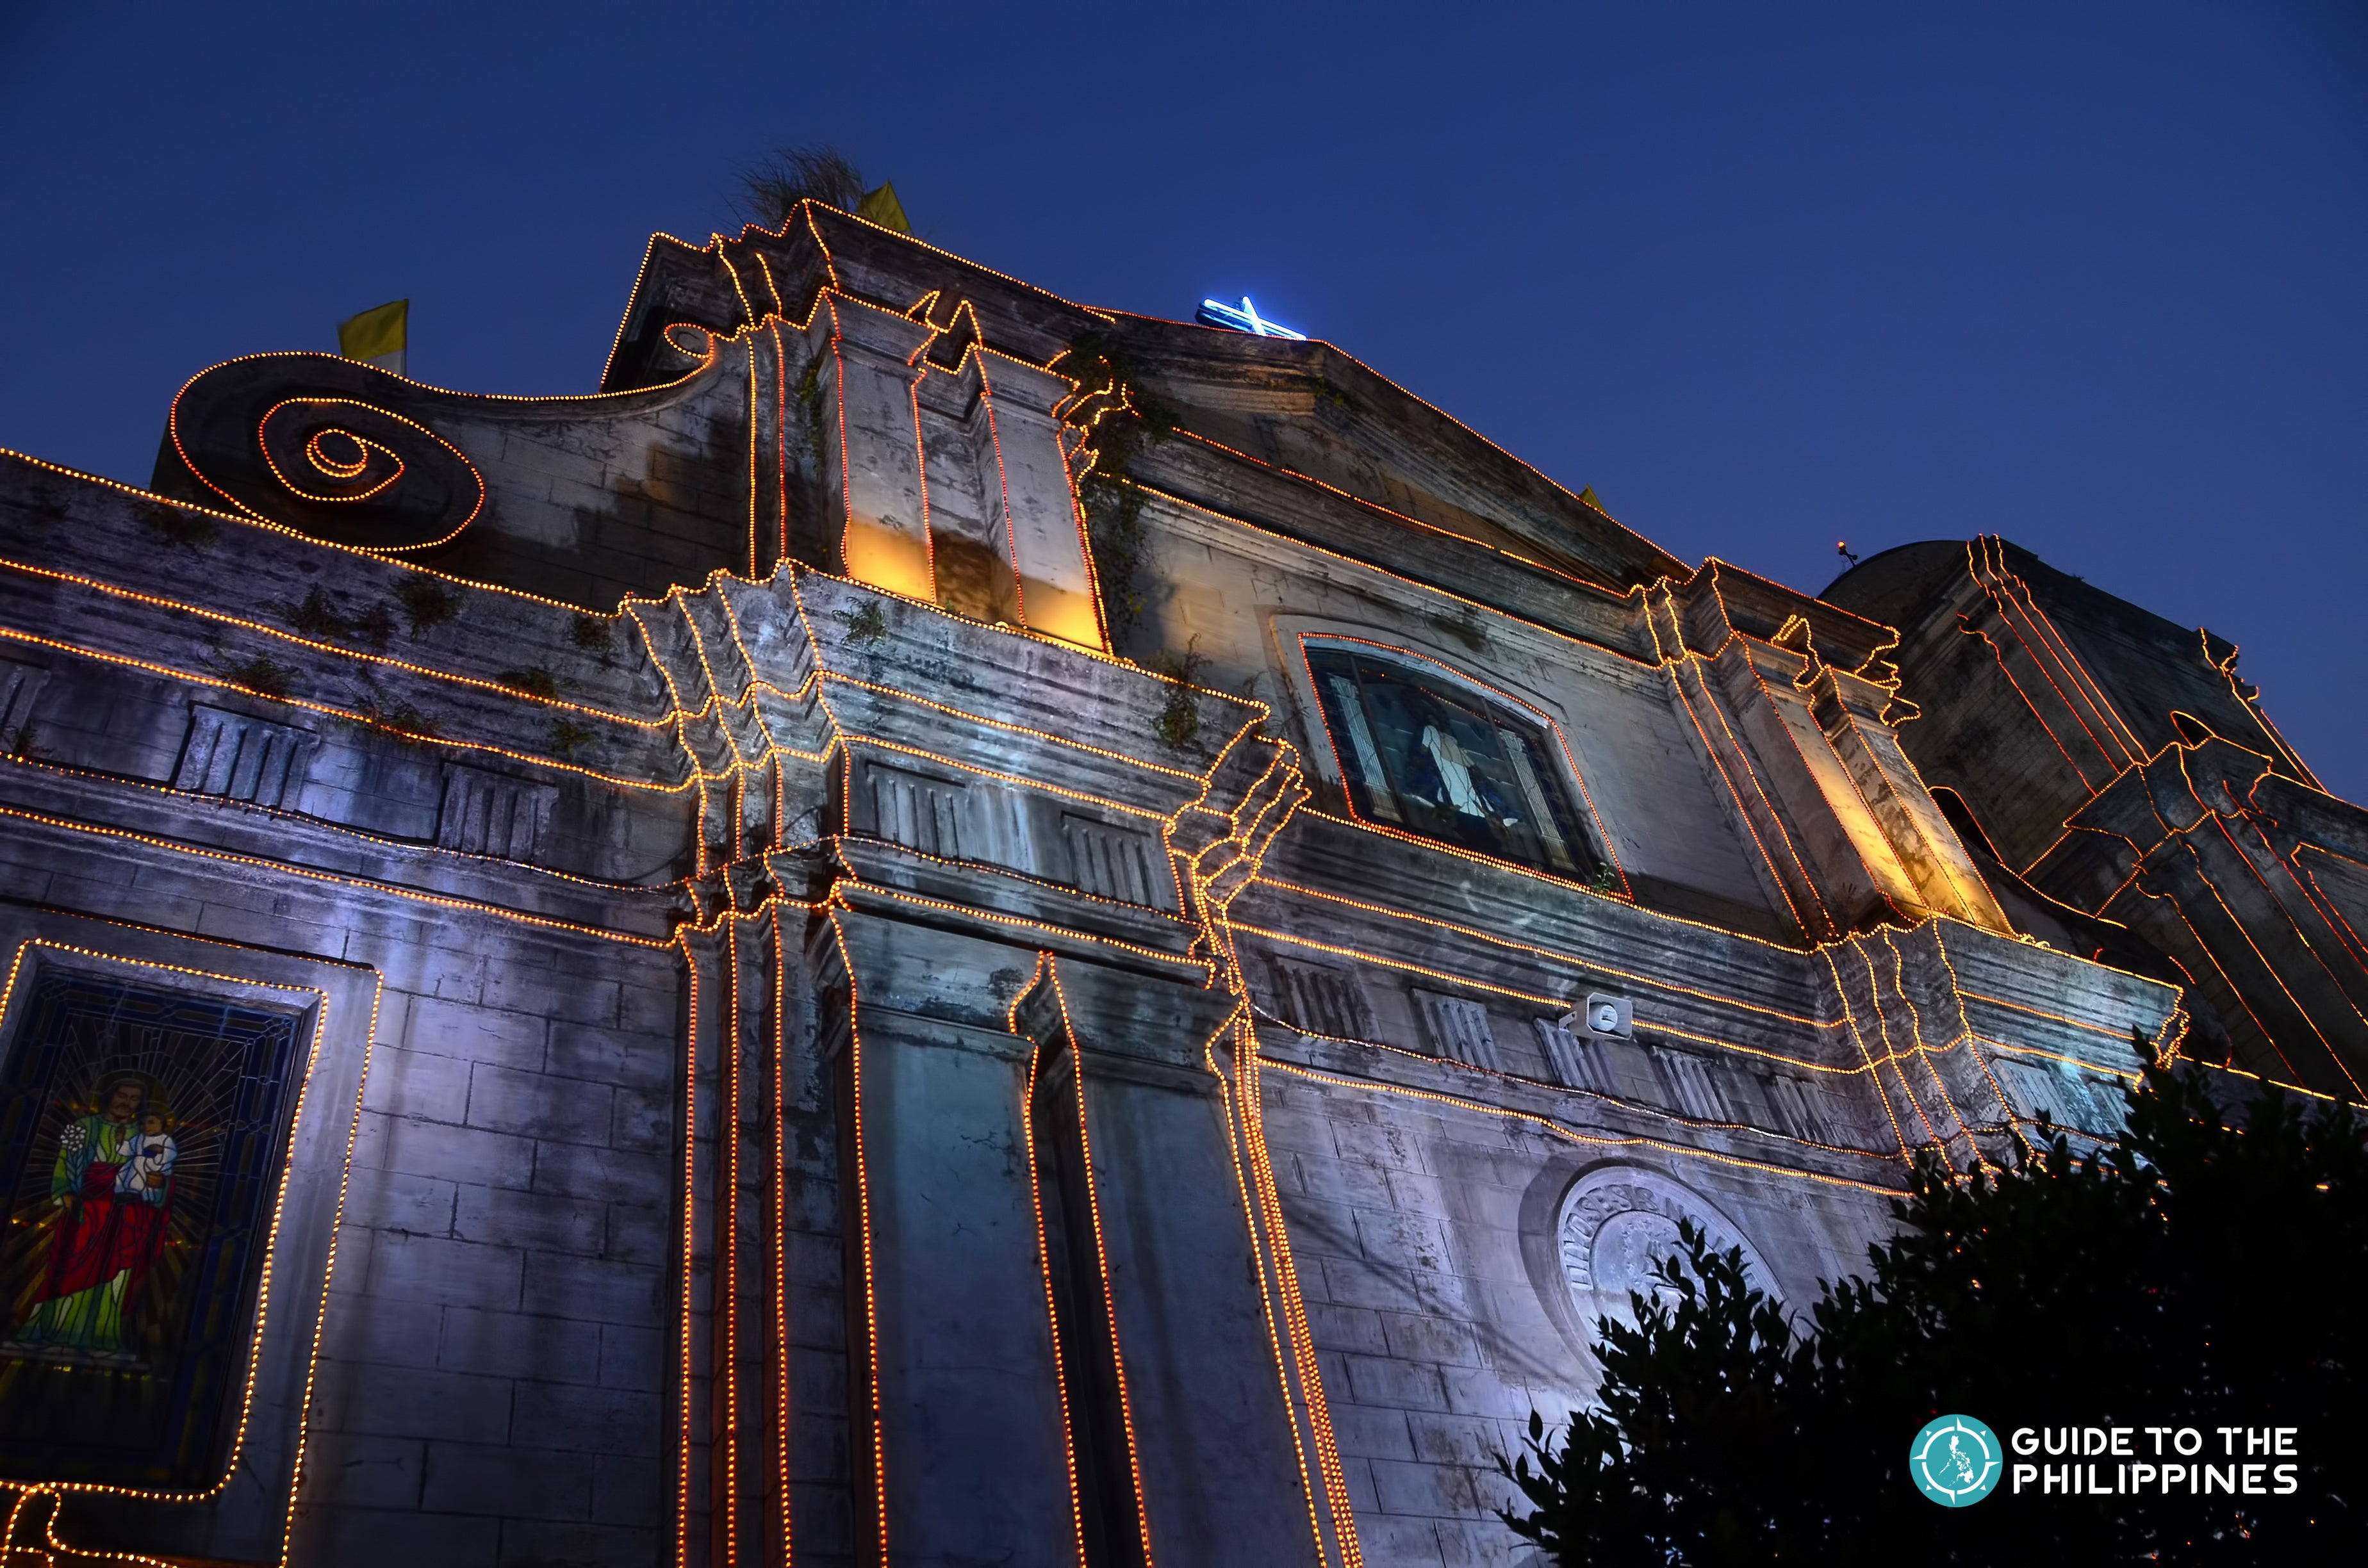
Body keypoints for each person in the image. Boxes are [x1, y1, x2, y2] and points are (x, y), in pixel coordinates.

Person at [10, 1074, 176, 1357]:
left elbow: (158, 1170)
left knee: (116, 1274)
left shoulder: (143, 1134)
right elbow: (65, 1164)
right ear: (109, 1096)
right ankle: (49, 1330)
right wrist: (66, 1192)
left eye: (134, 1099)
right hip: (86, 1211)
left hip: (126, 1216)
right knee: (69, 1267)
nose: (127, 1103)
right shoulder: (85, 1127)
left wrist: (161, 1185)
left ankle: (102, 1336)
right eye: (122, 1096)